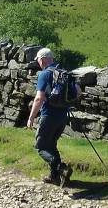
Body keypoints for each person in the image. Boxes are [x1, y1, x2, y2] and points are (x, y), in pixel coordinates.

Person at [26, 47, 76, 186]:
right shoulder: (64, 73)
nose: (38, 64)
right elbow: (78, 92)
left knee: (41, 147)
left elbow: (39, 98)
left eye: (39, 61)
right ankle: (54, 177)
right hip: (63, 116)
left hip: (48, 116)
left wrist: (31, 118)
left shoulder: (44, 74)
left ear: (42, 60)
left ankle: (62, 169)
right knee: (52, 145)